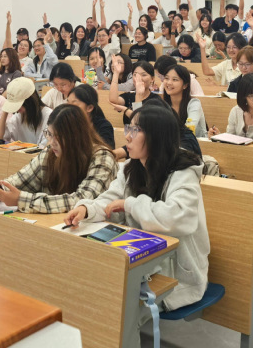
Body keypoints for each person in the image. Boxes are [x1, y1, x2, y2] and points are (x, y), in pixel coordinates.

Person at [64, 104, 209, 313]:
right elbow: (112, 199)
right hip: (141, 258)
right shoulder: (131, 168)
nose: (127, 137)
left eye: (136, 130)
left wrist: (130, 204)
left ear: (157, 136)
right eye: (128, 128)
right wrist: (87, 209)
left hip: (176, 272)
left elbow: (177, 217)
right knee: (88, 281)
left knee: (114, 304)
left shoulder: (183, 173)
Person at [0, 104, 116, 214]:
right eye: (49, 134)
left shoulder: (102, 157)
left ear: (76, 136)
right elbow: (21, 179)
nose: (52, 142)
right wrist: (0, 189)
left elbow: (81, 200)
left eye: (58, 137)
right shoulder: (51, 153)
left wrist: (22, 200)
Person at [208, 73, 253, 145]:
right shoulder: (236, 111)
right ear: (244, 96)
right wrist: (219, 137)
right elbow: (230, 142)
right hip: (239, 153)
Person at [0, 77, 52, 146]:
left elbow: (45, 148)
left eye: (18, 105)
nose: (16, 109)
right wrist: (5, 111)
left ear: (29, 101)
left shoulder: (49, 116)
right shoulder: (18, 117)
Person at [109, 60, 161, 125]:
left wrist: (125, 110)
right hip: (128, 131)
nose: (138, 78)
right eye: (135, 75)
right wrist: (116, 73)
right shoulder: (129, 96)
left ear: (152, 79)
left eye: (143, 75)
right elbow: (113, 100)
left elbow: (138, 120)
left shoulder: (156, 100)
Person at [163, 64, 206, 137]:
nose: (169, 82)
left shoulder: (194, 104)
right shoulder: (163, 105)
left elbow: (189, 130)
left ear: (185, 85)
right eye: (166, 78)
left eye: (175, 79)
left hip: (195, 142)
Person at [67, 83, 115, 148]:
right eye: (68, 103)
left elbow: (106, 150)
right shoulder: (67, 123)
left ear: (89, 108)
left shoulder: (104, 126)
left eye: (74, 105)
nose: (68, 108)